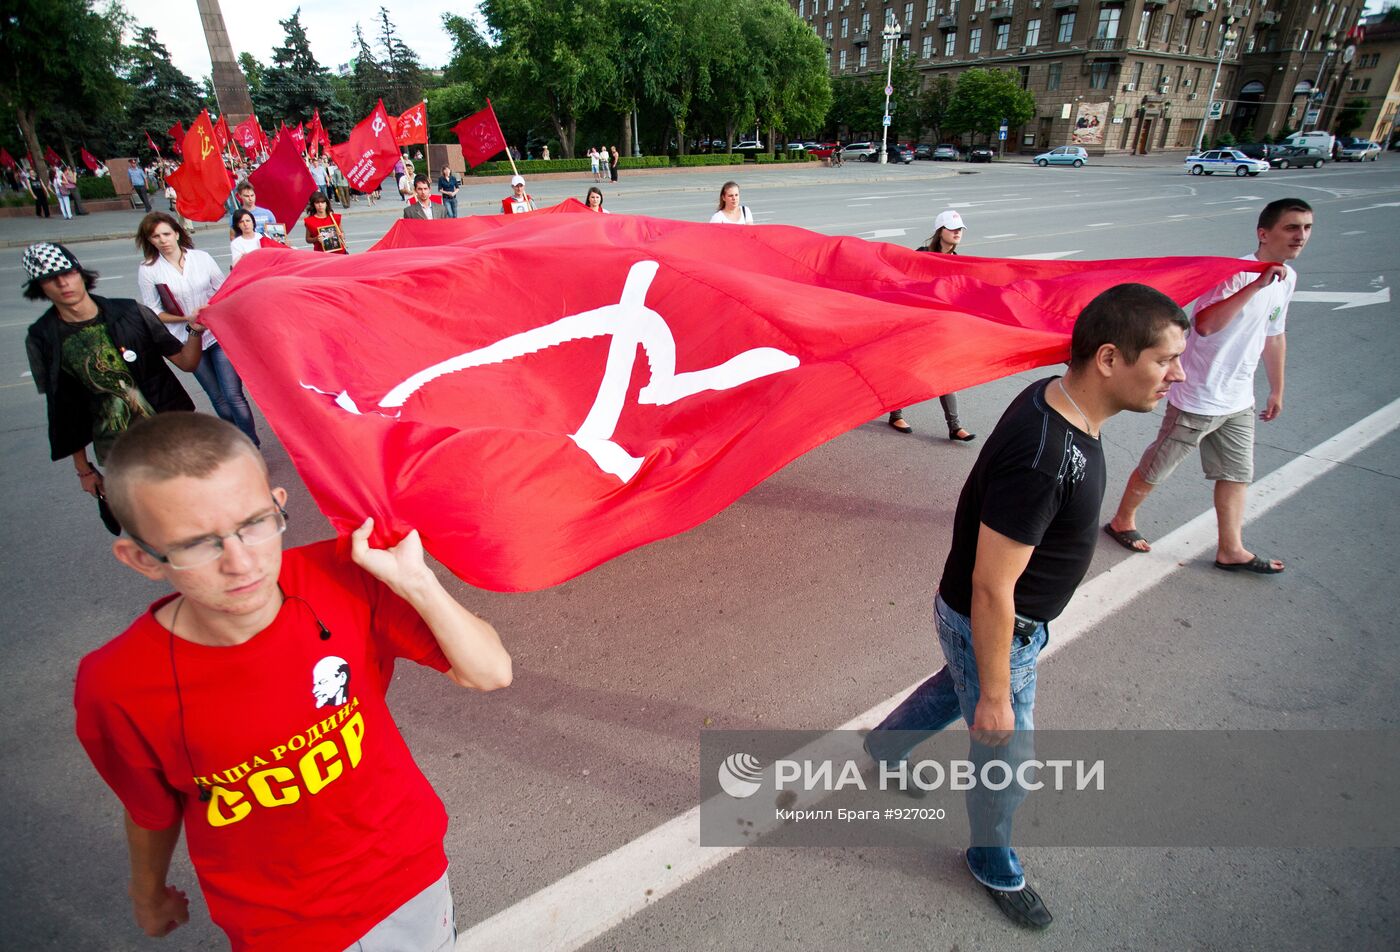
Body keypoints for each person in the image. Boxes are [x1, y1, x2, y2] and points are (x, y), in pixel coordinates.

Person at [74, 412, 512, 951]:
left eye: (255, 523)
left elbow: (490, 671)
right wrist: (148, 894)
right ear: (142, 558)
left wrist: (417, 582)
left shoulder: (341, 577)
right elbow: (150, 810)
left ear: (279, 503)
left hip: (406, 880)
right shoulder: (116, 685)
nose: (241, 563)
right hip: (281, 925)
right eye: (197, 544)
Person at [863, 283, 1190, 929]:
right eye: (1163, 359)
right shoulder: (1048, 457)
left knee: (951, 689)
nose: (1176, 374)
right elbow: (992, 586)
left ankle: (886, 744)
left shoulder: (1058, 400)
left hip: (992, 623)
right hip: (996, 626)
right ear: (1107, 359)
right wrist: (994, 693)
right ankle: (991, 860)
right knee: (1005, 757)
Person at [1103, 198, 1312, 573]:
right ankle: (1122, 520)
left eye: (1307, 228)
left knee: (1236, 474)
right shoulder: (1234, 275)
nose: (1301, 236)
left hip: (1238, 400)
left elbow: (1274, 336)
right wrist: (1255, 286)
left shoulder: (1288, 280)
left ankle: (1231, 548)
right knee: (1158, 465)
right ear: (1264, 233)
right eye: (1292, 227)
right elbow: (1206, 324)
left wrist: (1277, 389)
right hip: (1198, 396)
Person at [22, 242, 201, 527]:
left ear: (79, 273)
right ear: (40, 288)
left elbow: (187, 362)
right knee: (159, 519)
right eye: (49, 279)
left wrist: (195, 330)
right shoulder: (43, 337)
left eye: (66, 273)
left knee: (197, 504)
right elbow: (62, 409)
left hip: (171, 432)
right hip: (120, 449)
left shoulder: (131, 312)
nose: (61, 282)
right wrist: (84, 470)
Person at [135, 212, 260, 447]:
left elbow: (224, 289)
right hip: (186, 340)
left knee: (233, 395)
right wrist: (186, 318)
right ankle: (238, 444)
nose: (162, 240)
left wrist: (211, 310)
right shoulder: (149, 269)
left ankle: (252, 445)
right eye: (155, 236)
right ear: (149, 240)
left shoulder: (201, 258)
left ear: (177, 233)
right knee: (219, 399)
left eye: (166, 234)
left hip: (216, 333)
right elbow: (153, 312)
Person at [888, 210, 976, 441]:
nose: (957, 232)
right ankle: (895, 413)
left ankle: (954, 427)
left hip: (940, 326)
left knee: (945, 373)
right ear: (940, 231)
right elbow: (903, 285)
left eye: (960, 229)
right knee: (906, 368)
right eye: (952, 228)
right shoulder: (921, 255)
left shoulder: (958, 261)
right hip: (915, 322)